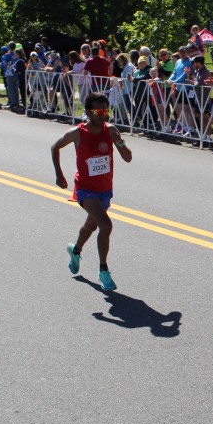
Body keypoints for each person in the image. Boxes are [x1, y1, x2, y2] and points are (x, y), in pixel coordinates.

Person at [51, 92, 133, 291]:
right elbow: (55, 147)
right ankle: (103, 270)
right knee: (105, 225)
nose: (104, 115)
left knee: (91, 226)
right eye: (99, 112)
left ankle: (75, 250)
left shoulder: (110, 130)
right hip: (85, 189)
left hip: (105, 189)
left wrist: (120, 142)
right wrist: (59, 175)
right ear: (88, 112)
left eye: (106, 111)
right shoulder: (77, 133)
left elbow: (128, 158)